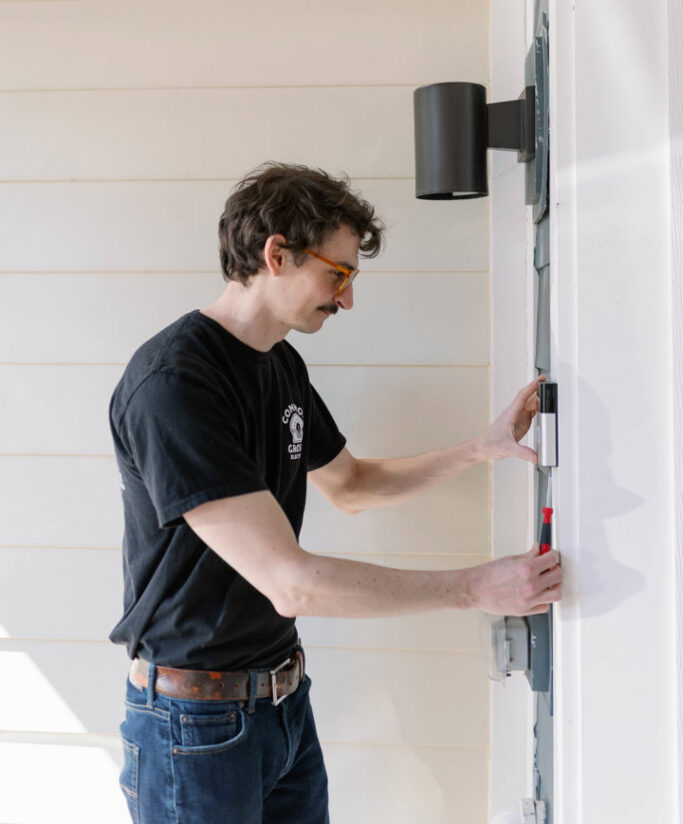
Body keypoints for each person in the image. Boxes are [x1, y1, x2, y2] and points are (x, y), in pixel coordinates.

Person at [109, 162, 561, 824]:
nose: (346, 299)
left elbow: (351, 485)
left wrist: (477, 448)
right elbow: (290, 583)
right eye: (338, 274)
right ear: (276, 253)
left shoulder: (280, 364)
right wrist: (470, 588)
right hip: (194, 728)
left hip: (282, 703)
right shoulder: (176, 385)